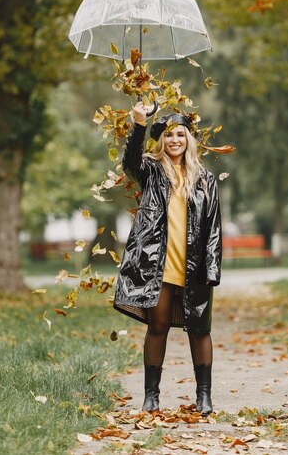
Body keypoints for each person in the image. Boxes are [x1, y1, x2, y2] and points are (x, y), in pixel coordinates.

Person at [114, 102, 222, 415]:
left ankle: (204, 397)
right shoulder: (150, 170)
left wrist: (212, 268)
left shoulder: (205, 180)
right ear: (162, 140)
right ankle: (151, 397)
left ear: (189, 139)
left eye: (181, 134)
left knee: (200, 329)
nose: (175, 140)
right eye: (169, 135)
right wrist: (139, 122)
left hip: (194, 266)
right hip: (156, 265)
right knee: (157, 326)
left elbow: (213, 228)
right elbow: (130, 159)